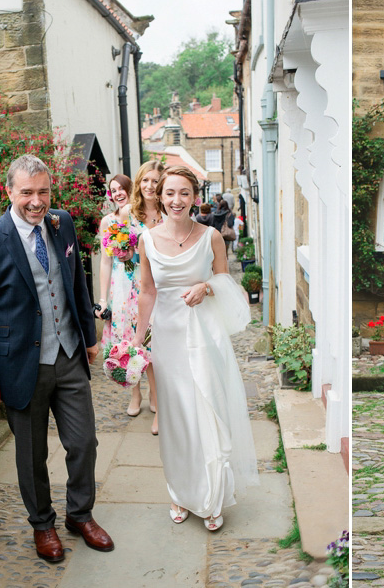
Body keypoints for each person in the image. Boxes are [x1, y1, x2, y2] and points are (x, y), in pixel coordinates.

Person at [0, 155, 114, 563]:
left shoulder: (61, 223)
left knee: (84, 442)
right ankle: (43, 525)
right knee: (32, 455)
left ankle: (79, 515)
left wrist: (89, 335)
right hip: (19, 365)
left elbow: (76, 283)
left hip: (68, 355)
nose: (36, 201)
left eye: (43, 191)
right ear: (9, 191)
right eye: (26, 192)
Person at [133, 167, 258, 531]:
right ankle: (180, 492)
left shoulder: (212, 237)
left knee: (209, 409)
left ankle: (212, 496)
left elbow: (224, 281)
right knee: (176, 418)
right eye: (169, 193)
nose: (176, 200)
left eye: (184, 193)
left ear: (194, 196)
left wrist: (206, 286)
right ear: (158, 195)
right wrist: (137, 341)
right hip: (168, 337)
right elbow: (147, 291)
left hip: (204, 333)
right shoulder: (147, 240)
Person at [119, 160, 166, 434]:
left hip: (160, 286)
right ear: (139, 183)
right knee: (134, 341)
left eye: (155, 181)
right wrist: (123, 254)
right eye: (145, 180)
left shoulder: (167, 212)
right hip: (134, 284)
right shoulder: (129, 213)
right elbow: (121, 251)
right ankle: (135, 393)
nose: (150, 186)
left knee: (156, 344)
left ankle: (156, 396)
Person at [95, 174, 146, 417]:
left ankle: (156, 393)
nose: (117, 193)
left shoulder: (140, 216)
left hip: (142, 280)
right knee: (126, 339)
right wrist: (104, 298)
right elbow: (105, 262)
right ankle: (136, 393)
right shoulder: (107, 221)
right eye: (113, 190)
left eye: (121, 188)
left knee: (148, 336)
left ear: (130, 189)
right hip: (120, 285)